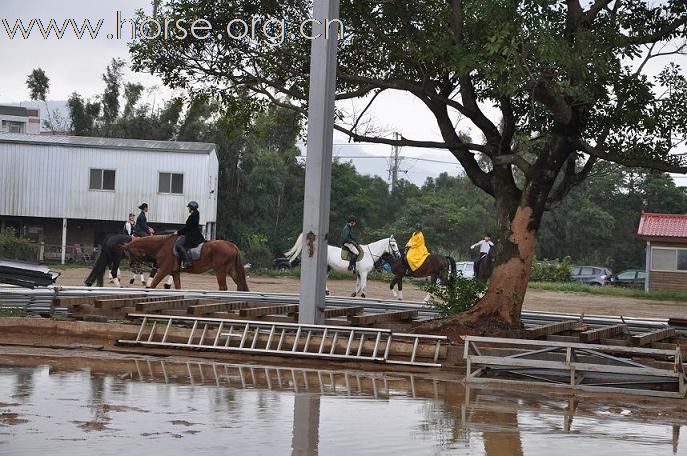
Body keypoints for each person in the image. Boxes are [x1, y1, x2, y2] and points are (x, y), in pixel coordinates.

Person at [175, 201, 205, 269]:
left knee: (179, 245)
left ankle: (187, 261)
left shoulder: (192, 216)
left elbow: (187, 228)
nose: (188, 209)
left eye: (189, 208)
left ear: (191, 208)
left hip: (192, 236)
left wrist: (178, 232)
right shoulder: (196, 214)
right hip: (196, 234)